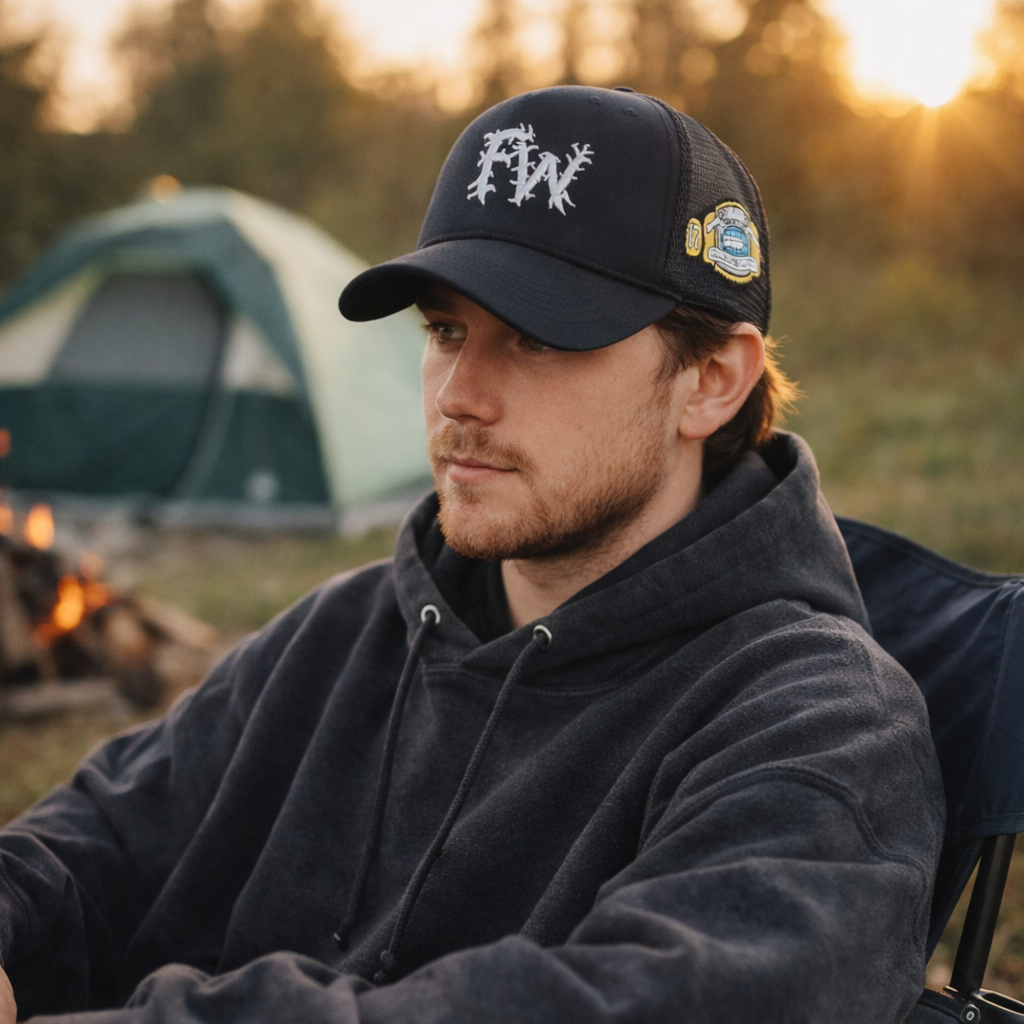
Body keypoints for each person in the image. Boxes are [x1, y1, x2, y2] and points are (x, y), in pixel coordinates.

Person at [0, 86, 944, 1024]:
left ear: (710, 381)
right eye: (446, 330)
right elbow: (97, 841)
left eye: (537, 338)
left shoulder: (817, 727)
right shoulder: (348, 632)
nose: (460, 394)